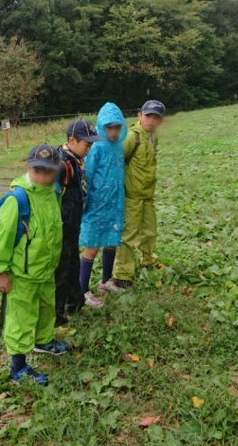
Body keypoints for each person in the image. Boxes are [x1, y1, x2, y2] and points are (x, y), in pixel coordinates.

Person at [0, 143, 67, 384]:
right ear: (27, 167)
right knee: (21, 318)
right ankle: (18, 368)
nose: (43, 177)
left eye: (48, 172)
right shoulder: (18, 199)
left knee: (46, 308)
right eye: (38, 171)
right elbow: (3, 238)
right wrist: (0, 271)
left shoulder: (53, 192)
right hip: (21, 275)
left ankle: (43, 341)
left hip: (46, 269)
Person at [54, 119, 103, 334]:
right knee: (61, 269)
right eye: (87, 144)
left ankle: (76, 303)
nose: (90, 148)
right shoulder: (61, 163)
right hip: (61, 223)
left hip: (74, 221)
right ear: (72, 140)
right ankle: (57, 317)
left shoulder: (77, 158)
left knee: (74, 262)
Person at [113, 100, 165, 288]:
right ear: (139, 115)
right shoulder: (131, 137)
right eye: (148, 115)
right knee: (128, 236)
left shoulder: (153, 136)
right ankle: (122, 274)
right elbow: (116, 162)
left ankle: (148, 259)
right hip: (131, 196)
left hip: (147, 194)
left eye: (156, 117)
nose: (151, 120)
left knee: (150, 231)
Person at [79, 103, 127, 305]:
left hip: (114, 204)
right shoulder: (96, 147)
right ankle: (83, 291)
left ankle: (106, 280)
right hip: (97, 205)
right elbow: (88, 175)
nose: (113, 131)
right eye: (109, 127)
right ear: (101, 126)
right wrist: (87, 201)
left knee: (110, 241)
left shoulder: (118, 146)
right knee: (92, 247)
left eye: (117, 127)